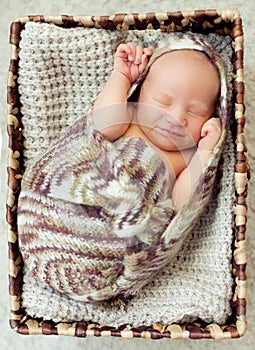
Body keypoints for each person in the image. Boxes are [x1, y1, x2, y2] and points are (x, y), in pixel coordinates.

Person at [92, 40, 222, 211]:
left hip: (129, 222)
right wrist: (121, 77)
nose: (176, 118)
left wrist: (205, 153)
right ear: (138, 96)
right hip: (90, 188)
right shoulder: (131, 119)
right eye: (163, 101)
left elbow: (181, 204)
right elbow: (102, 126)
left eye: (195, 112)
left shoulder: (188, 155)